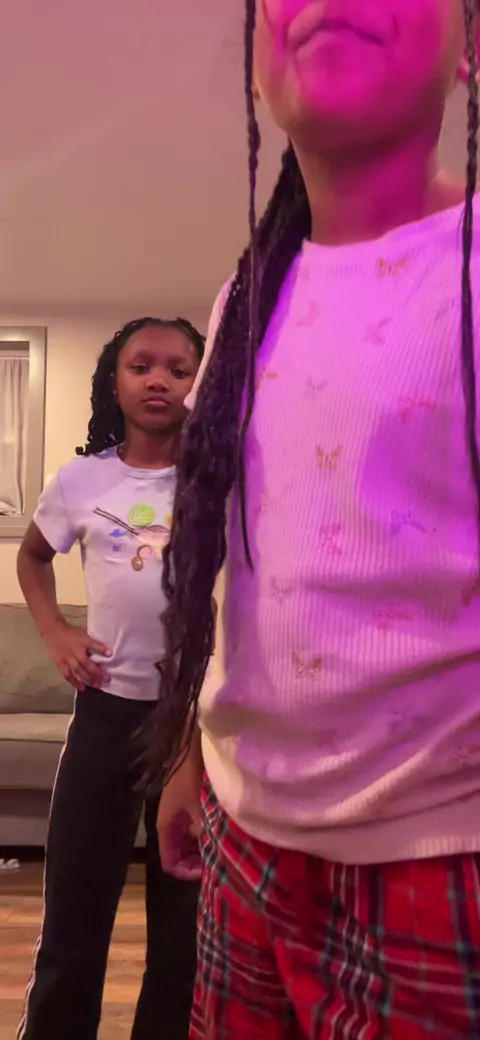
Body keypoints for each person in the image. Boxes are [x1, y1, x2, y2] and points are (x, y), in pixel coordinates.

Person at [152, 1, 480, 1037]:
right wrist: (194, 752)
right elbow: (241, 567)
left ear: (470, 47)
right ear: (259, 58)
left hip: (442, 860)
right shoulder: (244, 296)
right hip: (243, 841)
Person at [16, 316, 204, 1040]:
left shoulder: (221, 481)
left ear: (200, 385)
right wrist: (55, 631)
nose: (159, 380)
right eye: (141, 365)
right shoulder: (82, 480)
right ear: (114, 382)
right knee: (74, 914)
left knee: (183, 929)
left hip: (195, 727)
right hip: (105, 715)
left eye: (179, 369)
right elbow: (33, 557)